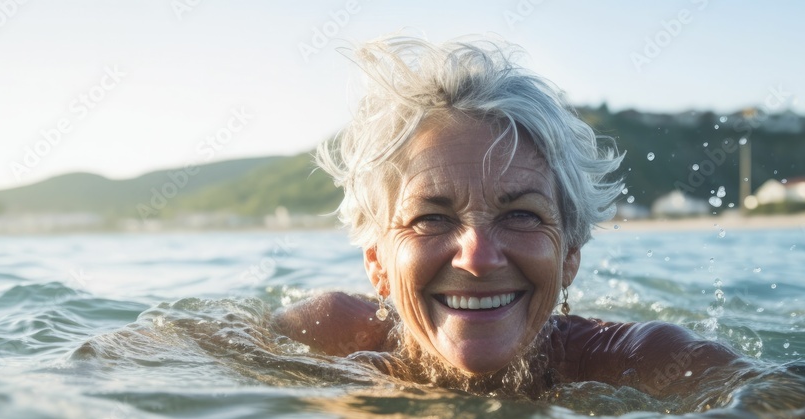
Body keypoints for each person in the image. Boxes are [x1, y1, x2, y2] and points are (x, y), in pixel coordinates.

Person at [274, 35, 738, 397]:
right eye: (431, 220)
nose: (478, 259)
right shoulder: (323, 337)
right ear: (376, 261)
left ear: (570, 254)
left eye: (521, 215)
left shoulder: (644, 362)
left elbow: (792, 415)